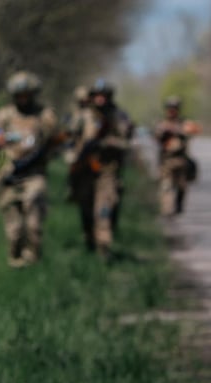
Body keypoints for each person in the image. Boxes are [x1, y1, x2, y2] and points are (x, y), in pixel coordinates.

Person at [0, 70, 59, 267]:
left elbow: (53, 142)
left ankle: (33, 258)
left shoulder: (45, 115)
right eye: (19, 95)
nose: (23, 99)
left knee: (33, 222)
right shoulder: (4, 115)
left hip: (34, 175)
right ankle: (15, 261)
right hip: (9, 175)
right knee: (13, 228)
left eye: (26, 95)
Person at [69, 79, 133, 258]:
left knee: (104, 209)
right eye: (97, 96)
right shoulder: (84, 116)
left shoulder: (118, 116)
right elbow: (71, 137)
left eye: (103, 96)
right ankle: (89, 239)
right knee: (86, 209)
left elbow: (126, 141)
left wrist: (108, 143)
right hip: (85, 170)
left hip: (107, 171)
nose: (100, 100)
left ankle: (103, 247)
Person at [155, 95, 201, 215]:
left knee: (181, 187)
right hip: (166, 161)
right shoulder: (162, 123)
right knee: (166, 186)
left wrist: (180, 130)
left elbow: (194, 130)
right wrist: (164, 132)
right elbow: (156, 136)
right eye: (170, 108)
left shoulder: (184, 123)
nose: (172, 110)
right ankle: (167, 209)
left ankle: (178, 206)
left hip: (181, 160)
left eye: (174, 108)